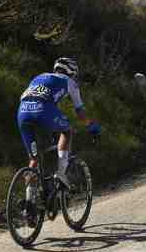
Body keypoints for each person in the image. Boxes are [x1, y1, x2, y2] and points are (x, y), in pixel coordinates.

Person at [17, 57, 101, 190]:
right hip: (43, 110)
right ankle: (62, 173)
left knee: (34, 159)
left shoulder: (40, 76)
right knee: (67, 131)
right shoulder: (70, 82)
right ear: (72, 72)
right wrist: (92, 126)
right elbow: (80, 113)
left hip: (22, 112)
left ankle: (29, 201)